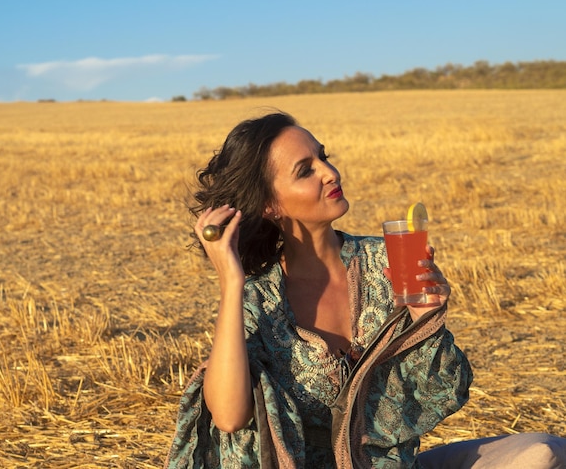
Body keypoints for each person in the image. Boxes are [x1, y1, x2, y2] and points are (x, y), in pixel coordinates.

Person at [164, 111, 566, 468]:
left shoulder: (388, 262)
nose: (330, 172)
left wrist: (426, 322)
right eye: (306, 170)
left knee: (542, 453)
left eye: (324, 156)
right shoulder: (258, 297)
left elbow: (443, 391)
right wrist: (232, 282)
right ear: (271, 205)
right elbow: (230, 417)